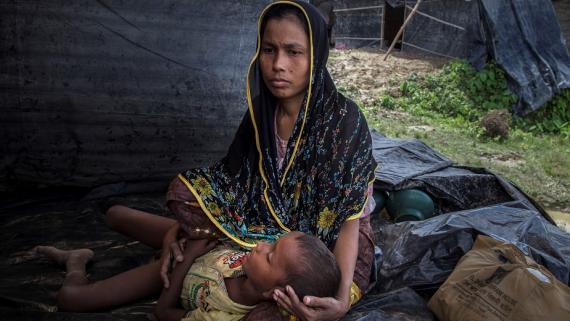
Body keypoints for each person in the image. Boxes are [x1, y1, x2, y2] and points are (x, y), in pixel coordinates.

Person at [109, 1, 377, 320]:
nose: (278, 64)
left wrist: (342, 298)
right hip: (264, 230)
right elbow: (229, 181)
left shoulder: (344, 123)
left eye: (294, 52)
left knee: (286, 309)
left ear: (317, 56)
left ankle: (187, 257)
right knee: (136, 211)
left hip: (325, 252)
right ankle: (180, 240)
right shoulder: (262, 113)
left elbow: (348, 223)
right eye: (268, 50)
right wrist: (185, 226)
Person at [35, 231, 341, 321]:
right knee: (115, 214)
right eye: (272, 243)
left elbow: (162, 312)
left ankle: (74, 262)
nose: (261, 245)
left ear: (271, 293)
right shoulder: (250, 263)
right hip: (192, 246)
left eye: (270, 254)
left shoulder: (223, 315)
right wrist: (175, 237)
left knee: (71, 300)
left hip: (174, 273)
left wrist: (188, 256)